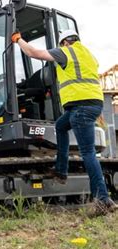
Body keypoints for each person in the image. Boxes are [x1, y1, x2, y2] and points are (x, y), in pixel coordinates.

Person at [11, 29, 116, 215]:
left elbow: (33, 53)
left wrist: (18, 40)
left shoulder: (66, 51)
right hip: (90, 105)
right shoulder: (88, 55)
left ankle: (102, 199)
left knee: (88, 152)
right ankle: (61, 170)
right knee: (60, 125)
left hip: (81, 107)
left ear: (65, 42)